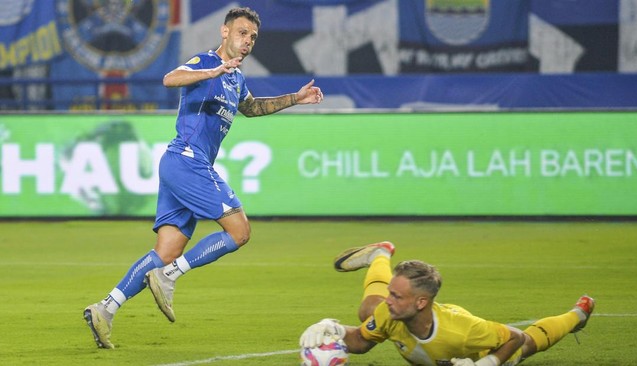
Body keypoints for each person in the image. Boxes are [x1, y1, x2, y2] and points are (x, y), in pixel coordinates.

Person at [84, 6, 324, 349]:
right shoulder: (205, 62)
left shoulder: (236, 78)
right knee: (240, 231)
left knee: (166, 250)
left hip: (178, 166)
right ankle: (169, 277)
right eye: (242, 33)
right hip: (187, 162)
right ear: (225, 32)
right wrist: (212, 71)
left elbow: (252, 108)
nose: (248, 41)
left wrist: (295, 99)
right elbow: (171, 78)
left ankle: (105, 309)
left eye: (253, 37)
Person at [300, 242, 595, 366]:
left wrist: (490, 362)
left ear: (421, 302)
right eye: (391, 293)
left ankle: (577, 314)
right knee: (369, 311)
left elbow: (515, 337)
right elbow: (362, 341)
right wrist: (334, 329)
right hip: (426, 329)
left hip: (479, 353)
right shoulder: (390, 311)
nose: (389, 301)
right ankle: (380, 255)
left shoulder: (465, 332)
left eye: (397, 296)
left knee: (528, 344)